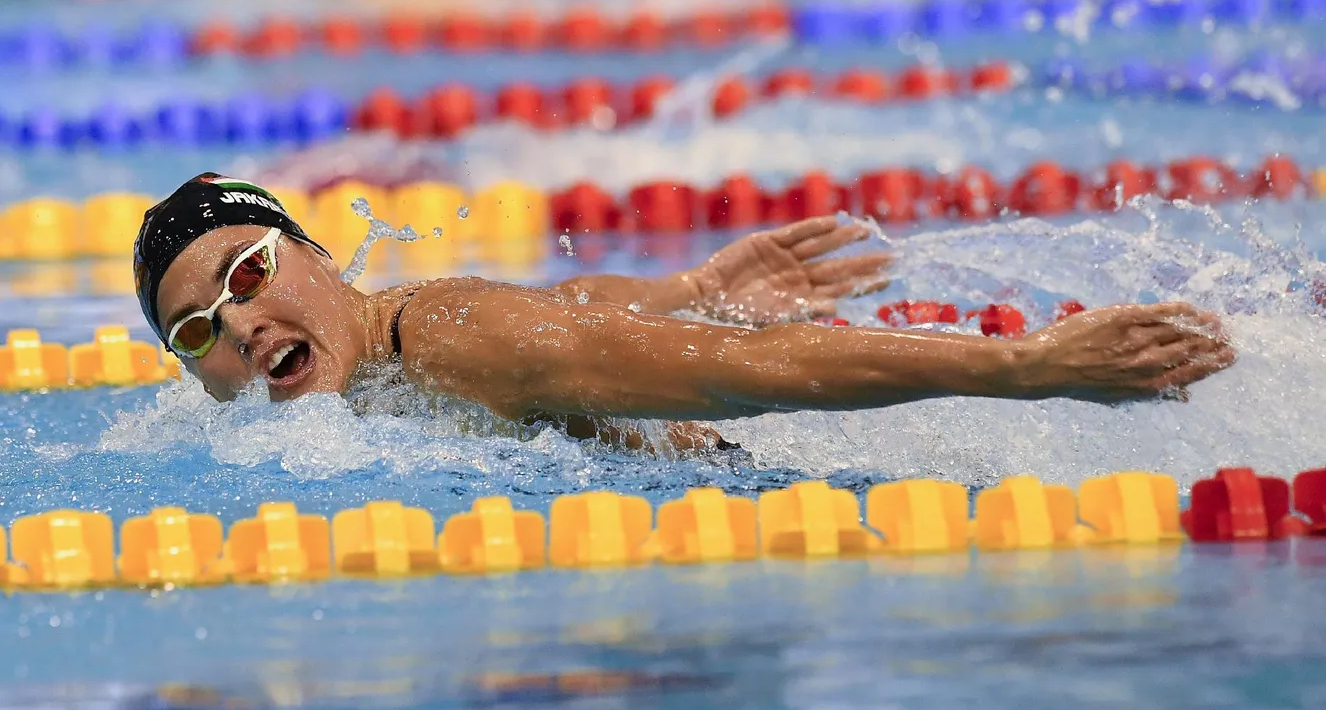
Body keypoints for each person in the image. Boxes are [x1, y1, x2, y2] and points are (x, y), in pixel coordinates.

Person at [134, 174, 1235, 452]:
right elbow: (570, 313)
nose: (235, 323)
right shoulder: (403, 338)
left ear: (321, 255)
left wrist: (1023, 366)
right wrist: (686, 291)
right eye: (195, 333)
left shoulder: (449, 337)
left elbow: (736, 374)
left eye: (246, 272)